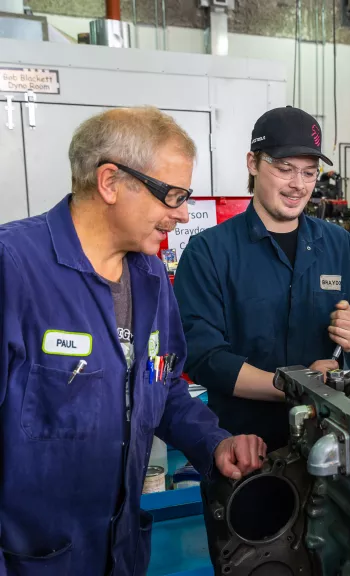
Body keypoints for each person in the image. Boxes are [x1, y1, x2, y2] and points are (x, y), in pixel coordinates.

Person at [0, 106, 265, 576]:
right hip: (32, 560)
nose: (181, 214)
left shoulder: (150, 277)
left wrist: (214, 444)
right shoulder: (14, 268)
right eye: (172, 195)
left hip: (120, 553)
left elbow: (162, 387)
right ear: (109, 182)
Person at [173, 106, 350, 566]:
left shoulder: (339, 245)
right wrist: (293, 384)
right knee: (260, 561)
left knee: (338, 555)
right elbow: (204, 353)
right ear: (253, 164)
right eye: (284, 168)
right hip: (247, 449)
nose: (298, 185)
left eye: (309, 172)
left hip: (333, 445)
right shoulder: (210, 252)